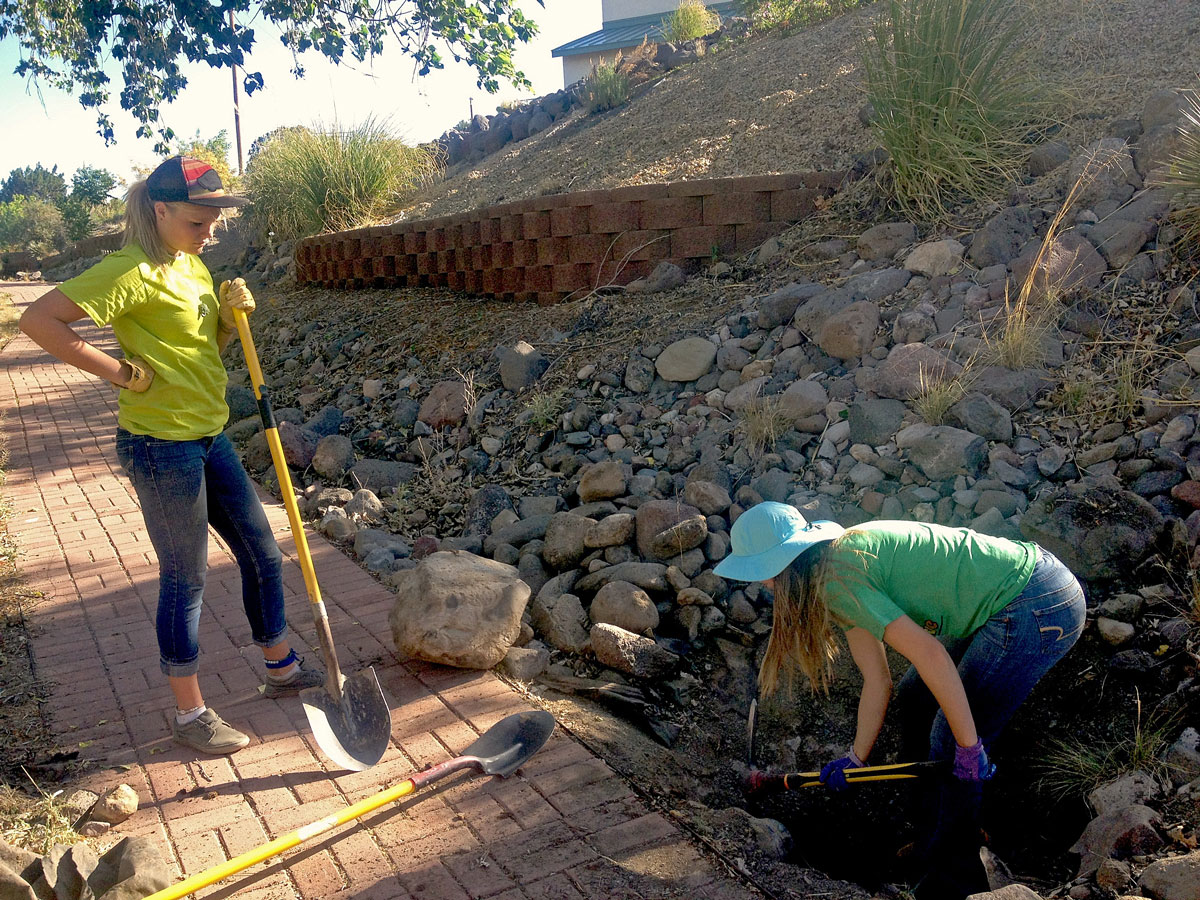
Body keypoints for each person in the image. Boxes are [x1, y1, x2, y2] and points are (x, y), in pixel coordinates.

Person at [19, 156, 324, 756]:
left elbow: (200, 348)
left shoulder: (191, 266)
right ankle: (190, 715)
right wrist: (120, 373)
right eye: (197, 218)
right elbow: (38, 319)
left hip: (209, 435)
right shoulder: (130, 268)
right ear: (160, 210)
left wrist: (231, 321)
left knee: (263, 553)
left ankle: (281, 667)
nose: (209, 229)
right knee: (187, 574)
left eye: (215, 218)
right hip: (160, 447)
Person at [715, 501, 1086, 898]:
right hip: (1018, 590)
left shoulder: (838, 583)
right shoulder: (834, 565)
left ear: (785, 566)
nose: (764, 586)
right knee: (915, 698)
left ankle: (952, 875)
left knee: (950, 742)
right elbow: (879, 679)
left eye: (765, 576)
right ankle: (931, 834)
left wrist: (968, 747)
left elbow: (930, 654)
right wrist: (856, 758)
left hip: (1038, 603)